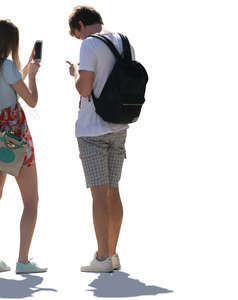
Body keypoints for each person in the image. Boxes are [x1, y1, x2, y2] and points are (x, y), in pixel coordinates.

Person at [0, 19, 47, 274]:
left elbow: (3, 88)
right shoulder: (7, 65)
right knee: (31, 201)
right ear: (9, 42)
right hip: (15, 135)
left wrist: (23, 70)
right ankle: (23, 261)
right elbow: (31, 100)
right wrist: (33, 76)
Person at [67, 6, 135, 273]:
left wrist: (74, 74)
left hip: (93, 129)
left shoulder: (89, 45)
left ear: (80, 26)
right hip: (120, 125)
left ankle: (102, 256)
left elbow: (85, 89)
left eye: (77, 34)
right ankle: (113, 254)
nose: (79, 40)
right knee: (114, 190)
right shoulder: (124, 41)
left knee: (98, 194)